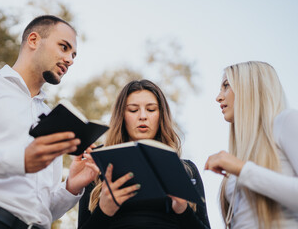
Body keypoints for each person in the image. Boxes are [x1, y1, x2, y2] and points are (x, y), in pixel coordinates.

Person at [0, 15, 99, 229]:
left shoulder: (52, 118)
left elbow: (42, 210)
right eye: (64, 47)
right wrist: (19, 161)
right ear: (33, 40)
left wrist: (70, 188)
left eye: (73, 55)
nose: (69, 59)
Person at [78, 79, 211, 229]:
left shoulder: (187, 170)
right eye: (133, 110)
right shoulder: (98, 166)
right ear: (122, 116)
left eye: (151, 109)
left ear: (161, 115)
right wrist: (103, 212)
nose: (143, 116)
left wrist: (183, 210)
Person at [204, 61, 298, 229]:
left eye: (226, 86)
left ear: (250, 87)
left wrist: (242, 169)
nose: (218, 97)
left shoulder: (286, 122)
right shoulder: (241, 155)